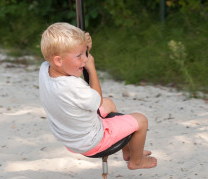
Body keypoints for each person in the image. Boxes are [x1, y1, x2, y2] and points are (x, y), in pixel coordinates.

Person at [39, 22, 157, 170]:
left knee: (109, 104)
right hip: (92, 141)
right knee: (141, 120)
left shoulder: (45, 69)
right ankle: (136, 161)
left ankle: (129, 153)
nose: (85, 59)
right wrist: (91, 67)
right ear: (58, 60)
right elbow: (96, 100)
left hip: (69, 135)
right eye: (79, 55)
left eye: (84, 54)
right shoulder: (73, 87)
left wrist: (83, 47)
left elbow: (66, 59)